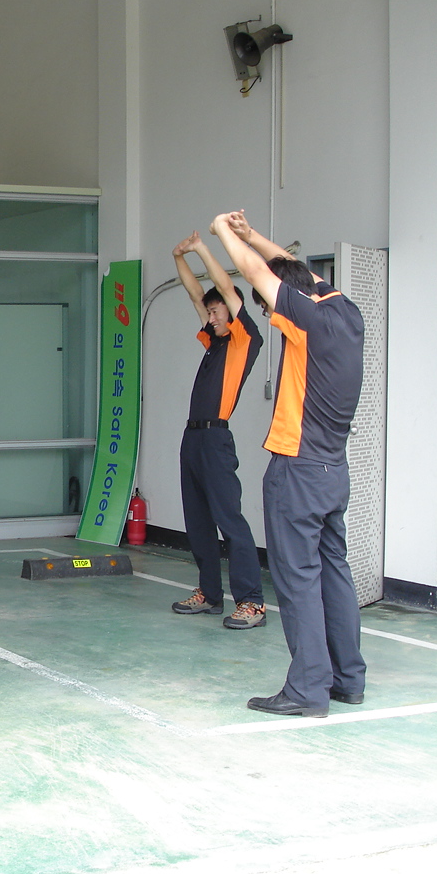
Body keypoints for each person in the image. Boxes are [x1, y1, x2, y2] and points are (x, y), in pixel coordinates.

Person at [210, 209, 366, 718]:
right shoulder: (346, 311)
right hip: (334, 471)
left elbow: (258, 272)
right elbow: (293, 269)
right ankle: (347, 679)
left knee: (297, 580)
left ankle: (307, 690)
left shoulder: (306, 321)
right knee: (334, 572)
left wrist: (222, 229)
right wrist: (252, 233)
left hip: (297, 471)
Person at [168, 230, 266, 629]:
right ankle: (209, 594)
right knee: (197, 521)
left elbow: (224, 286)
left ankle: (252, 602)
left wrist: (202, 249)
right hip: (192, 438)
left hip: (215, 438)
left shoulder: (244, 339)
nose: (209, 318)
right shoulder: (214, 342)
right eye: (208, 314)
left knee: (230, 521)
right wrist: (179, 257)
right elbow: (197, 295)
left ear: (230, 310)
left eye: (215, 312)